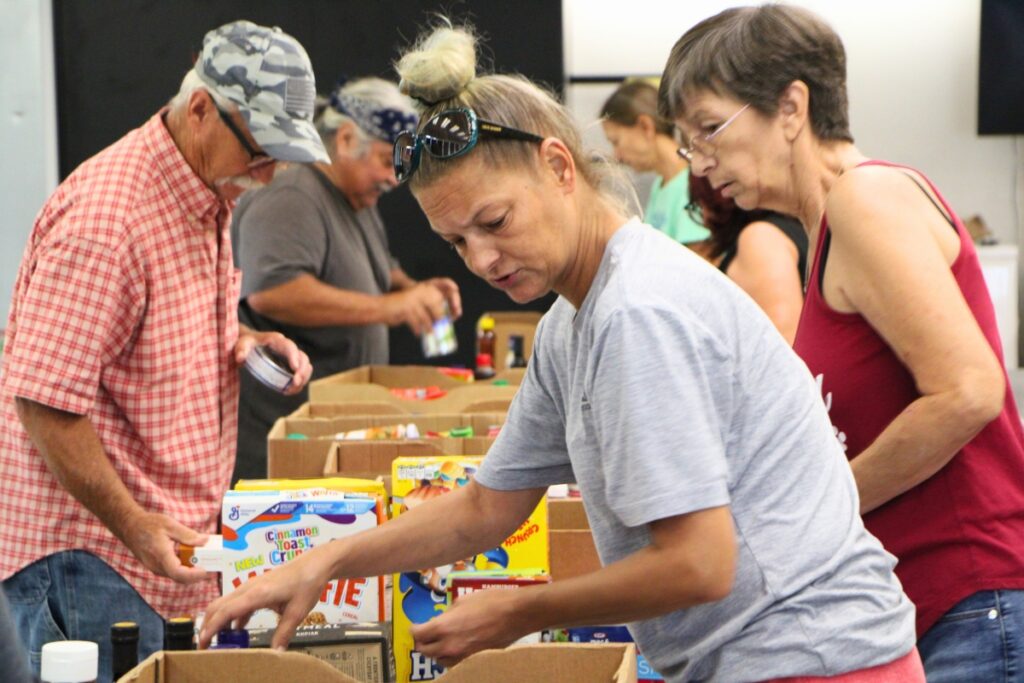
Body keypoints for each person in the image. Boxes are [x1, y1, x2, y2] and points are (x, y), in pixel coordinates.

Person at [199, 22, 922, 682]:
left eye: (495, 220)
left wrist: (519, 611)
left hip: (814, 659)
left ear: (558, 166)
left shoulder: (637, 309)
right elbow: (486, 505)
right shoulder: (573, 323)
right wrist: (325, 559)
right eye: (456, 242)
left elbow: (700, 562)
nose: (481, 258)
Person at [659, 5, 1024, 681]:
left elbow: (970, 390)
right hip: (929, 608)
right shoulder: (824, 233)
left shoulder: (865, 198)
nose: (702, 167)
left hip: (972, 599)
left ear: (791, 106)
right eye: (689, 144)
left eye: (711, 130)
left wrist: (821, 499)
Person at [0, 20, 320, 683]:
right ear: (201, 108)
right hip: (92, 556)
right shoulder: (108, 218)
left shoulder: (205, 195)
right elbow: (43, 401)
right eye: (259, 151)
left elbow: (151, 335)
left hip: (156, 548)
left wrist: (248, 340)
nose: (269, 174)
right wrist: (135, 523)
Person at [231, 77, 461, 481]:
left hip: (327, 432)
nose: (395, 178)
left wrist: (412, 290)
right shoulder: (291, 192)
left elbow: (375, 270)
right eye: (386, 160)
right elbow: (272, 292)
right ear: (346, 138)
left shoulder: (354, 196)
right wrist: (387, 308)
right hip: (285, 436)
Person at [687, 174, 806, 343]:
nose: (704, 218)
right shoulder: (788, 226)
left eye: (699, 204)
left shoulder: (760, 240)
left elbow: (784, 343)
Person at [600, 79, 710, 253]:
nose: (617, 155)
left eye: (616, 141)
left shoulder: (694, 184)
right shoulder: (660, 186)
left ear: (645, 126)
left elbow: (701, 262)